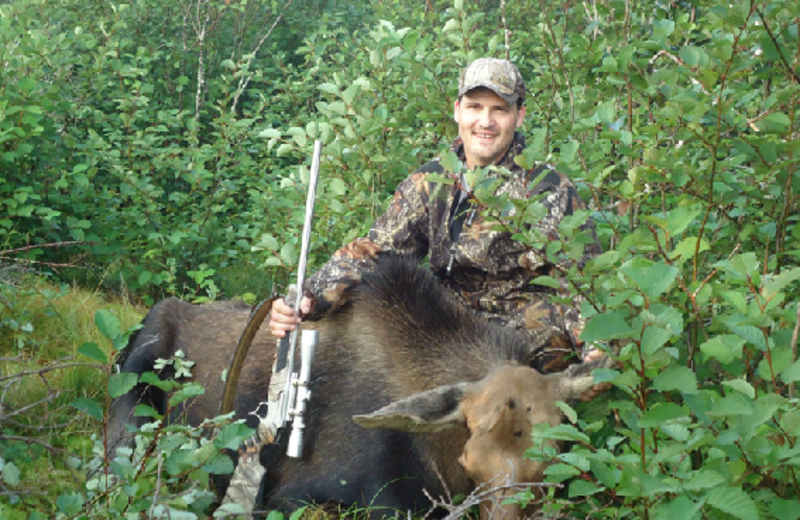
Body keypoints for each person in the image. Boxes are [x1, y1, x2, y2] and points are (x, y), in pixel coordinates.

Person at [269, 58, 605, 386]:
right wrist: (310, 298)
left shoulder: (549, 188)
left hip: (520, 345)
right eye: (475, 107)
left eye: (499, 109)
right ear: (458, 110)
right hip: (446, 331)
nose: (485, 121)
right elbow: (376, 250)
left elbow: (579, 282)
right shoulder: (433, 180)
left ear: (519, 116)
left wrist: (595, 348)